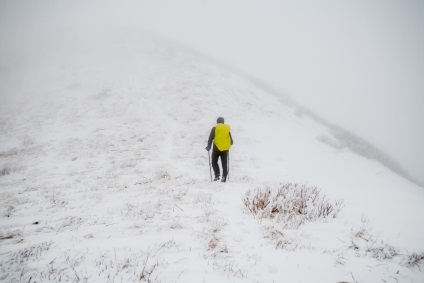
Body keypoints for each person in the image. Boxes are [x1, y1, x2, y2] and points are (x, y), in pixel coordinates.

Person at [205, 117, 233, 182]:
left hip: (216, 149)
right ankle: (224, 177)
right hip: (225, 150)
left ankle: (217, 175)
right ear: (223, 122)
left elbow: (210, 138)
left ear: (217, 122)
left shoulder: (215, 128)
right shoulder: (226, 129)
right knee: (224, 163)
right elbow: (231, 141)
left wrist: (209, 146)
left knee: (214, 162)